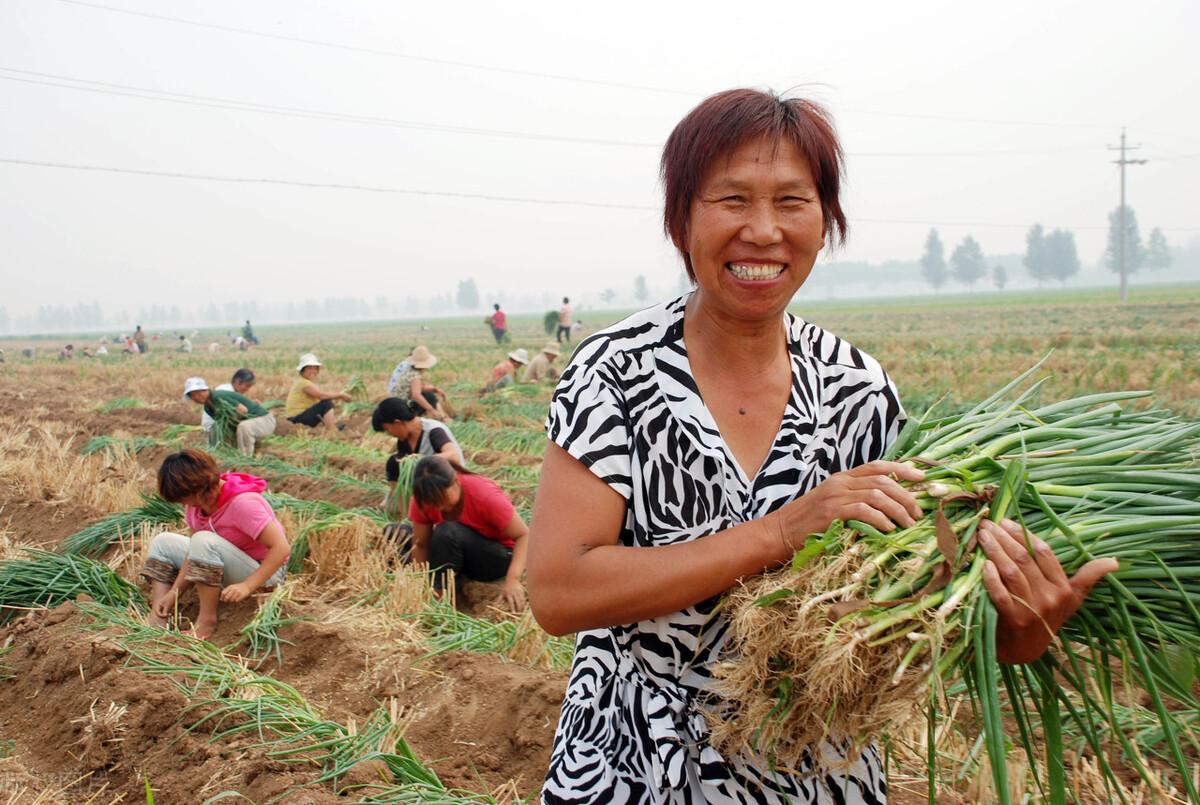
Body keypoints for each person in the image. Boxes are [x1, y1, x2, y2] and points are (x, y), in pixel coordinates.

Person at [525, 89, 1119, 803]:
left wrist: (1012, 632)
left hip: (813, 775)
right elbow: (559, 591)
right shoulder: (614, 372)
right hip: (634, 771)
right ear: (681, 219)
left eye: (792, 201)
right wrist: (781, 530)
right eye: (732, 199)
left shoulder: (860, 392)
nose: (764, 230)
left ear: (826, 220)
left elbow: (908, 607)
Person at [141, 449, 289, 640]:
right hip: (224, 560)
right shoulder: (195, 506)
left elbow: (281, 548)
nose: (186, 505)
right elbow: (193, 553)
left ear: (201, 486)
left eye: (186, 498)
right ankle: (158, 618)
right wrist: (174, 594)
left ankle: (205, 623)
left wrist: (247, 586)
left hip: (264, 574)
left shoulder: (243, 504)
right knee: (163, 542)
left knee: (203, 540)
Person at [409, 456, 528, 611]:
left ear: (456, 482)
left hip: (497, 557)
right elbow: (421, 544)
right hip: (460, 550)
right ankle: (441, 584)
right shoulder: (422, 501)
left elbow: (524, 535)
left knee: (447, 532)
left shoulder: (483, 495)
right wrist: (420, 581)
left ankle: (438, 601)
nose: (439, 507)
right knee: (398, 534)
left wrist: (513, 579)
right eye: (432, 502)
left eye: (442, 499)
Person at [372, 398, 465, 546]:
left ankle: (413, 522)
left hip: (447, 485)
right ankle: (405, 518)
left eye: (388, 429)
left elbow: (453, 456)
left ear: (397, 422)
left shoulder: (433, 431)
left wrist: (421, 460)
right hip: (426, 486)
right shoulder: (404, 439)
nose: (391, 434)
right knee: (394, 463)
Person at [183, 376, 275, 455]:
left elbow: (243, 410)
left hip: (264, 420)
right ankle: (220, 454)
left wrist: (229, 418)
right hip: (251, 424)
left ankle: (245, 458)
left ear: (205, 389)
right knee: (216, 429)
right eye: (192, 396)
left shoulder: (218, 396)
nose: (196, 398)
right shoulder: (208, 408)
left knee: (243, 426)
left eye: (198, 393)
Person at [285, 353, 351, 430]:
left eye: (315, 368)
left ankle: (330, 427)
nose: (313, 371)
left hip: (300, 417)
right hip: (297, 418)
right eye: (309, 368)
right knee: (326, 403)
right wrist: (341, 395)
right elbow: (321, 396)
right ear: (302, 370)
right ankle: (331, 430)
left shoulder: (303, 381)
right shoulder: (303, 383)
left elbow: (319, 401)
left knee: (323, 404)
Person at [386, 346, 448, 419]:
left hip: (395, 402)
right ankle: (441, 417)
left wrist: (435, 389)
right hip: (402, 407)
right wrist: (430, 409)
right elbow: (416, 395)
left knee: (429, 395)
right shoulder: (415, 376)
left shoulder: (409, 370)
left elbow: (419, 388)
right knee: (430, 398)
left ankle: (442, 416)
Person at [199, 368, 257, 436]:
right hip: (213, 428)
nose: (248, 389)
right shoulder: (224, 390)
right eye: (247, 386)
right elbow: (230, 415)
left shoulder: (233, 392)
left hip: (221, 427)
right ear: (238, 382)